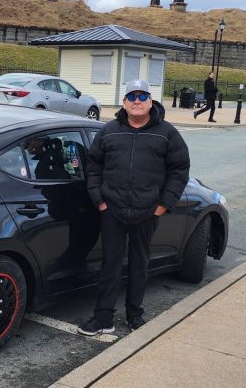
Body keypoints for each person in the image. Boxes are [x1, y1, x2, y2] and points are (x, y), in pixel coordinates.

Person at [78, 80, 190, 335]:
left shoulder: (167, 133)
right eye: (131, 96)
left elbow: (179, 170)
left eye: (142, 96)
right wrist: (100, 201)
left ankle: (134, 315)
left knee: (140, 265)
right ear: (124, 103)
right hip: (113, 211)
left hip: (147, 211)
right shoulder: (109, 131)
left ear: (151, 101)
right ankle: (103, 319)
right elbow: (93, 167)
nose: (137, 101)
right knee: (110, 266)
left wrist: (163, 205)